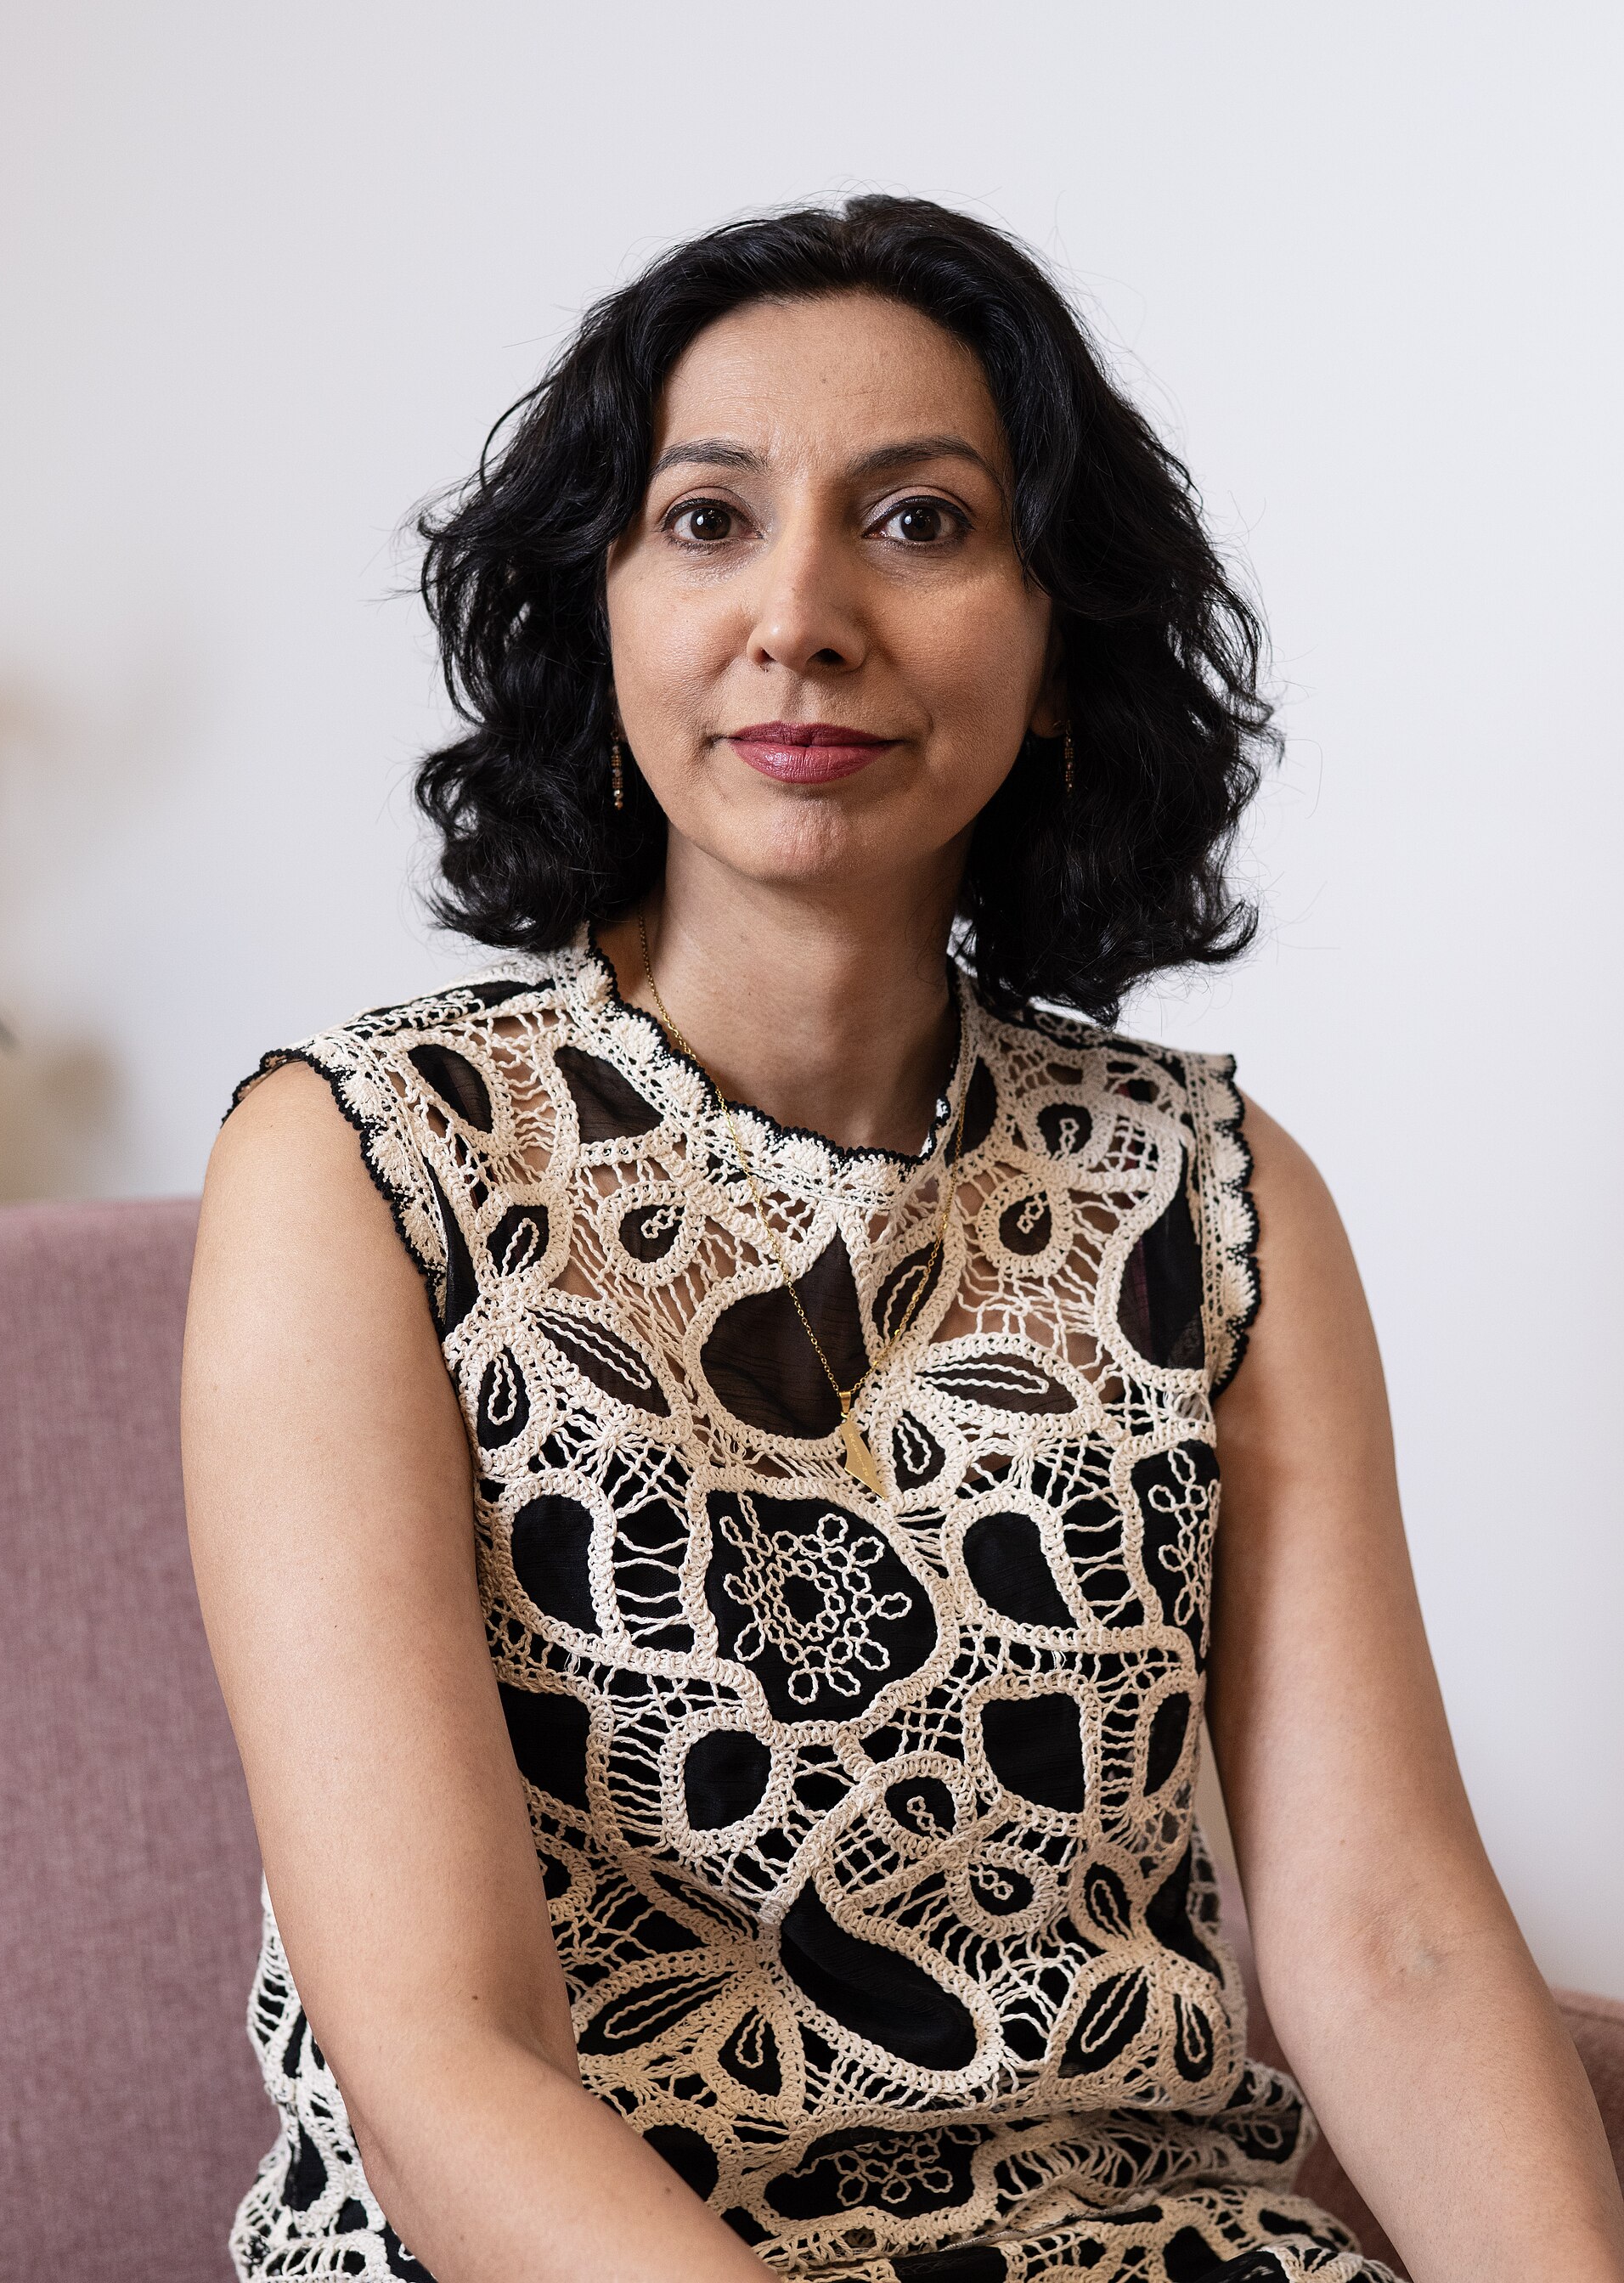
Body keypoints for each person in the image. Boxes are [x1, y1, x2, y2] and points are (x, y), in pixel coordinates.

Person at [183, 197, 1624, 2283]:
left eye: (923, 524)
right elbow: (440, 2061)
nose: (800, 612)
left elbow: (1389, 1937)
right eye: (704, 521)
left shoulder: (1216, 1198)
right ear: (597, 619)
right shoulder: (358, 1166)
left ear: (1057, 654)